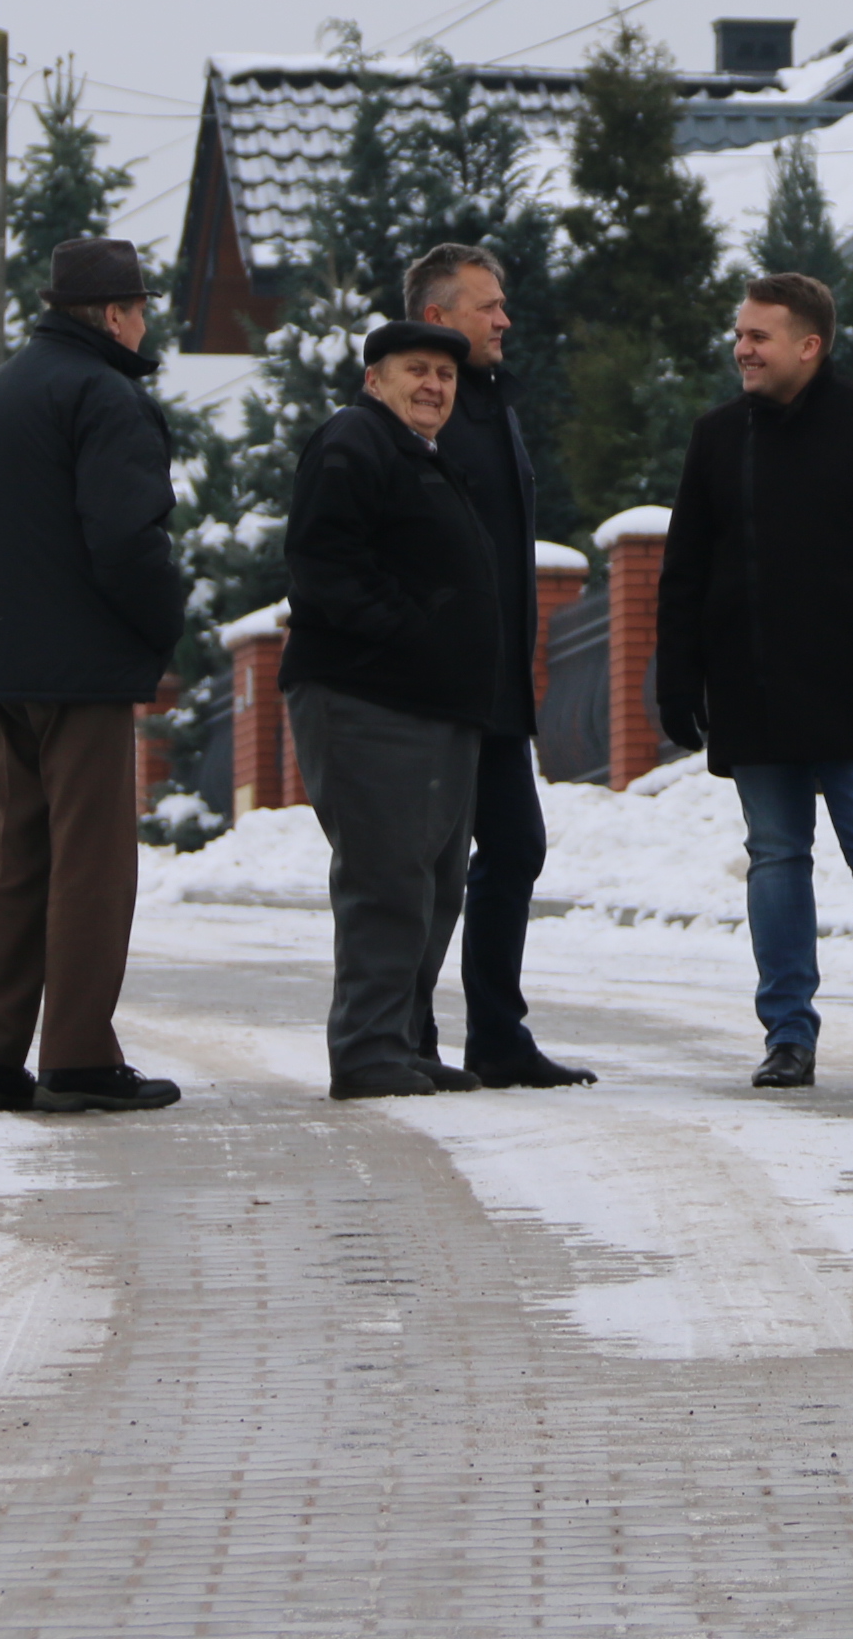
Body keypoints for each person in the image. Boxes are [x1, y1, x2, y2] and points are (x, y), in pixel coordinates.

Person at [657, 272, 853, 1093]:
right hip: (753, 691)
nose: (742, 348)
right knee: (775, 859)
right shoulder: (718, 436)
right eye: (740, 334)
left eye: (759, 336)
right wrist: (676, 675)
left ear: (811, 344)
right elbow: (685, 569)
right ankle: (788, 1037)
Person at [0, 236, 190, 1115]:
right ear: (116, 314)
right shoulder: (106, 396)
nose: (145, 322)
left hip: (9, 674)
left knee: (17, 863)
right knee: (90, 865)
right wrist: (163, 628)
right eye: (141, 308)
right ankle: (79, 1056)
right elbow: (128, 541)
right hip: (85, 672)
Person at [282, 320, 503, 1100]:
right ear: (374, 379)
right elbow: (322, 563)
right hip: (367, 699)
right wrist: (411, 636)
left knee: (433, 883)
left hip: (431, 707)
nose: (435, 386)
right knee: (385, 879)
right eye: (418, 370)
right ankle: (368, 1050)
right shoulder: (354, 441)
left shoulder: (424, 458)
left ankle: (401, 1039)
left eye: (446, 375)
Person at [401, 244, 595, 1089]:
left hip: (498, 688)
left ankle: (498, 1034)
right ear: (438, 317)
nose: (506, 319)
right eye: (488, 306)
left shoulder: (493, 407)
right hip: (433, 688)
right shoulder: (412, 413)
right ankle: (404, 1031)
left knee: (514, 847)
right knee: (423, 865)